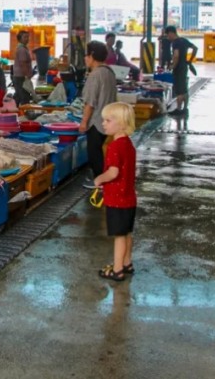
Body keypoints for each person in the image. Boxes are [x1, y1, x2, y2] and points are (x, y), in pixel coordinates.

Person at [93, 103, 137, 281]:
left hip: (117, 199)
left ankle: (117, 270)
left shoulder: (114, 146)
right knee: (126, 232)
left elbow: (113, 173)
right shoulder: (128, 144)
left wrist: (99, 179)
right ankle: (127, 263)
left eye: (108, 120)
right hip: (129, 198)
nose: (103, 123)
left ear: (122, 124)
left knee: (119, 236)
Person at [80, 41, 119, 188]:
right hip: (109, 118)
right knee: (99, 150)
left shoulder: (95, 75)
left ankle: (100, 181)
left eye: (86, 55)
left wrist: (84, 122)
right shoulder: (109, 72)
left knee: (94, 151)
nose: (85, 58)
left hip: (97, 121)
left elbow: (90, 103)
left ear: (92, 56)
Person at [164, 26, 198, 116]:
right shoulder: (184, 40)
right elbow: (195, 48)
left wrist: (173, 66)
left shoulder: (175, 43)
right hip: (184, 66)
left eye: (167, 35)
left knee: (179, 90)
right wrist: (189, 61)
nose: (168, 38)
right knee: (184, 89)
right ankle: (185, 108)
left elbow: (176, 56)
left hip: (178, 68)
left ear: (171, 33)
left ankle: (179, 110)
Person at [11, 30, 33, 106]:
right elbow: (23, 63)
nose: (27, 39)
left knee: (18, 95)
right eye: (25, 37)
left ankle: (13, 109)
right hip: (21, 76)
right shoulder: (22, 49)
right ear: (20, 39)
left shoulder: (23, 48)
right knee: (24, 96)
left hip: (19, 76)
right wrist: (27, 75)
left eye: (28, 37)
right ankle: (24, 110)